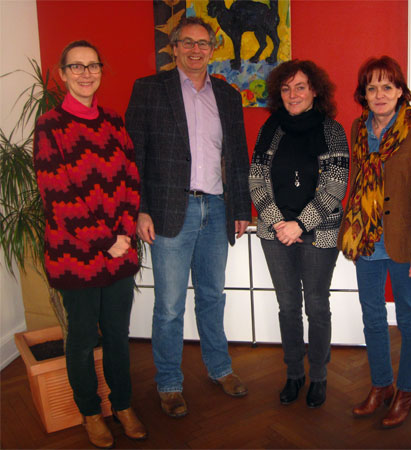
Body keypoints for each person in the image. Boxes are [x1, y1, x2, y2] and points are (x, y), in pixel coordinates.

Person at [125, 17, 251, 418]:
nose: (196, 50)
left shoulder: (228, 96)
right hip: (168, 210)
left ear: (213, 49)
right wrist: (140, 208)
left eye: (203, 43)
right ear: (174, 47)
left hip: (216, 208)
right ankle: (169, 383)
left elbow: (238, 156)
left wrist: (241, 208)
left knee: (213, 297)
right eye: (188, 43)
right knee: (169, 306)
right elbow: (134, 155)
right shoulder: (149, 89)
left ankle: (220, 368)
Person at [33, 40, 146, 448]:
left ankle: (123, 405)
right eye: (76, 67)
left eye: (92, 65)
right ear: (63, 74)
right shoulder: (49, 126)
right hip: (74, 257)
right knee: (81, 339)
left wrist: (124, 233)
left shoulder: (114, 121)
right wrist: (106, 240)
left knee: (117, 335)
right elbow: (58, 196)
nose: (85, 73)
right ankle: (90, 412)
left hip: (119, 251)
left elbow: (131, 179)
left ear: (101, 70)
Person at [338, 56, 411, 428]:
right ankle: (381, 385)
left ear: (400, 91)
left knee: (410, 320)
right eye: (372, 88)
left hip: (405, 240)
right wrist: (352, 229)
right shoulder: (358, 127)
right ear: (363, 94)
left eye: (387, 86)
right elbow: (359, 181)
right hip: (367, 236)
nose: (379, 94)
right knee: (372, 316)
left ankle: (406, 391)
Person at [249, 60, 349, 408]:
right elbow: (256, 178)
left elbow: (335, 185)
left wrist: (300, 224)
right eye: (286, 88)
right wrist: (278, 222)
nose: (293, 94)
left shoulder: (332, 130)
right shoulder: (270, 128)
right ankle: (294, 373)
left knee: (317, 306)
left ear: (315, 90)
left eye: (300, 87)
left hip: (319, 233)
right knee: (288, 306)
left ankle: (318, 376)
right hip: (274, 232)